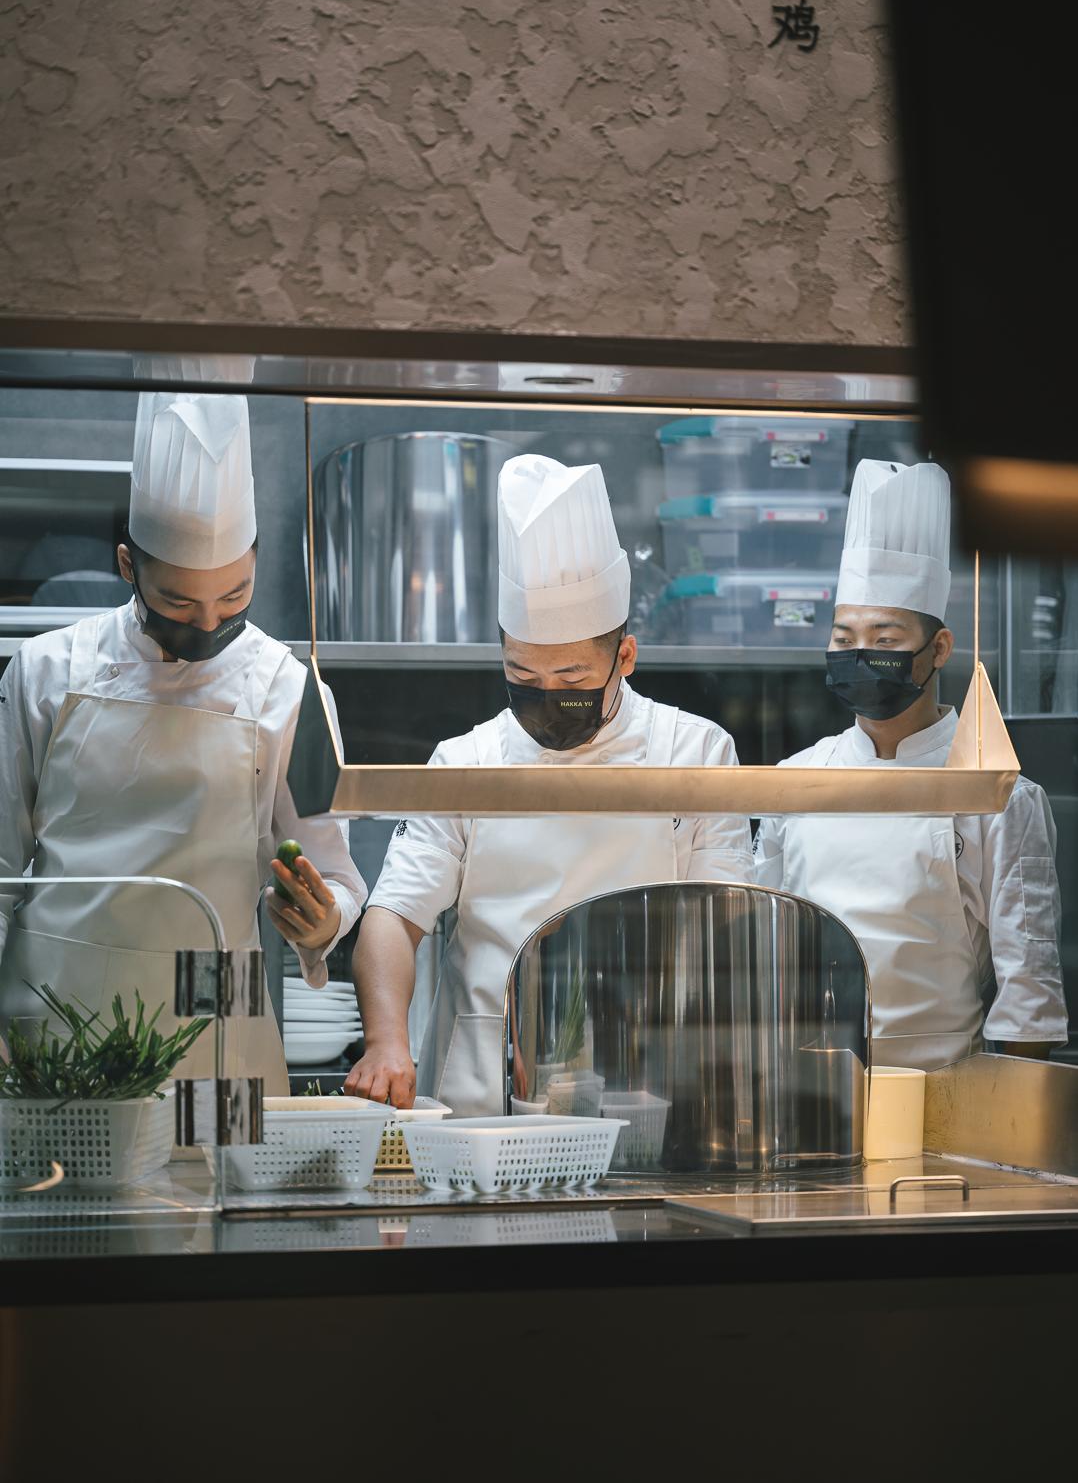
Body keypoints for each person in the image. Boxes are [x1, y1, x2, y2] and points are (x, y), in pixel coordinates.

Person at [346, 453, 754, 1116]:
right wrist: (386, 1040)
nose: (544, 700)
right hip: (481, 1105)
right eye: (522, 679)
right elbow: (394, 916)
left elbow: (726, 931)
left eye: (569, 681)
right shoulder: (466, 762)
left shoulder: (697, 752)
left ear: (624, 657)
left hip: (649, 1095)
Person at [0, 389, 367, 1093]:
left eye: (234, 598)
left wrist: (322, 922)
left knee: (211, 1186)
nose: (206, 624)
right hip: (51, 1010)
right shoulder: (46, 671)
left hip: (214, 1015)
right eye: (177, 602)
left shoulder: (291, 689)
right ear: (127, 565)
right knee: (63, 1195)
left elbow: (340, 880)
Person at [754, 458, 1068, 1070]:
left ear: (938, 649)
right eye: (844, 639)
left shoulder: (995, 792)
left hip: (949, 1088)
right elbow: (763, 949)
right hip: (811, 1086)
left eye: (886, 639)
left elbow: (1028, 989)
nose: (861, 653)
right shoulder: (797, 779)